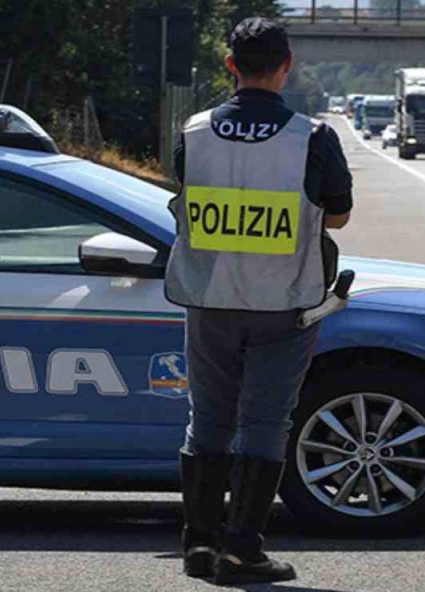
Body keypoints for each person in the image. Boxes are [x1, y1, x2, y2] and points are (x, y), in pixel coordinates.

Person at [165, 17, 353, 585]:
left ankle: (198, 545)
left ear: (230, 66)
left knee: (209, 420)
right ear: (287, 65)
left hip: (210, 297)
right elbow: (339, 214)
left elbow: (186, 195)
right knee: (265, 423)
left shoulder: (193, 132)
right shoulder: (312, 138)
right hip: (283, 303)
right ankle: (243, 550)